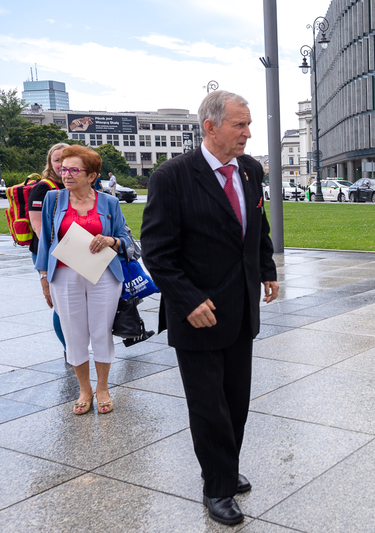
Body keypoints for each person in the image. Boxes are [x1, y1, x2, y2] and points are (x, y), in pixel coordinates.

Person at [141, 90, 279, 526]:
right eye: (240, 125)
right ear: (211, 127)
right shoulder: (173, 176)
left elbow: (257, 226)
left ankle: (225, 467)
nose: (248, 133)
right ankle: (216, 488)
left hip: (241, 308)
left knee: (236, 401)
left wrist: (266, 267)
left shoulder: (251, 170)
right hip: (197, 314)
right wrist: (187, 300)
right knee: (208, 406)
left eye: (248, 124)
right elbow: (157, 252)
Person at [35, 145, 130, 416]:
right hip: (64, 275)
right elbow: (46, 241)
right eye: (63, 169)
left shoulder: (109, 202)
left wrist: (111, 240)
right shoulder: (54, 200)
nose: (66, 174)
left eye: (74, 170)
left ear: (91, 175)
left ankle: (102, 389)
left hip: (103, 275)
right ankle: (84, 390)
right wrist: (43, 276)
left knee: (101, 331)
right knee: (74, 334)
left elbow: (124, 237)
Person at [28, 142, 70, 359]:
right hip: (50, 253)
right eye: (57, 160)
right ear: (49, 163)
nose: (62, 165)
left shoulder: (76, 184)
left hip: (76, 251)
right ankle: (68, 348)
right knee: (60, 303)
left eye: (67, 159)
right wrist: (55, 254)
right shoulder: (42, 188)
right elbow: (37, 227)